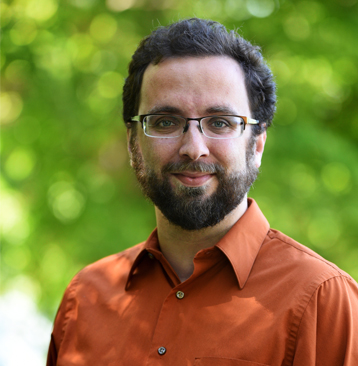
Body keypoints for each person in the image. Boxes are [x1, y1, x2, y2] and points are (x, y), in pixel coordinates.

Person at [47, 18, 358, 366]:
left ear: (257, 144)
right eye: (165, 121)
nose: (193, 148)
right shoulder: (84, 299)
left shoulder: (322, 300)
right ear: (133, 143)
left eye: (220, 122)